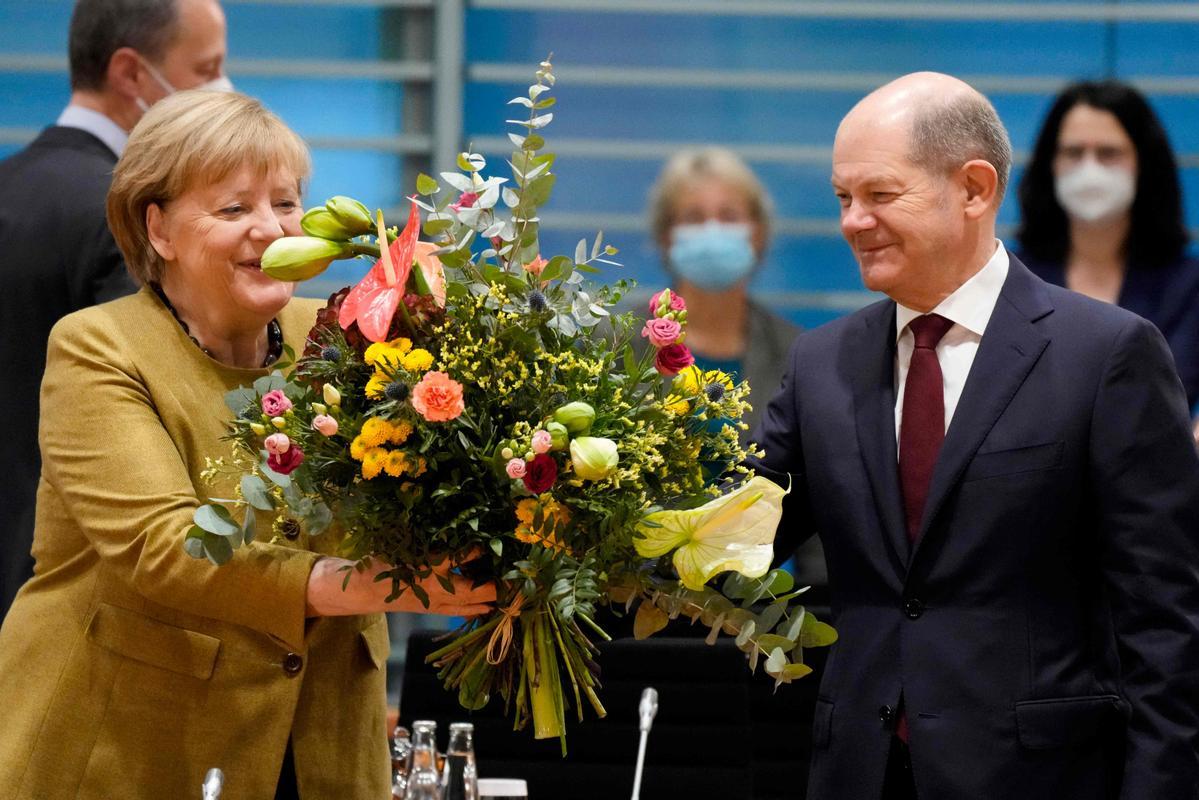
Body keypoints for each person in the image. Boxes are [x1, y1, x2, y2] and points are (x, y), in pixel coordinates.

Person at [0, 91, 496, 799]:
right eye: (234, 209)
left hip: (324, 746)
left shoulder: (348, 336)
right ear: (159, 229)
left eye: (287, 205)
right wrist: (385, 585)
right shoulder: (98, 348)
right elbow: (165, 550)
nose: (269, 228)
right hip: (133, 748)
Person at [753, 72, 1199, 799]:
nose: (851, 222)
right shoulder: (819, 363)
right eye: (842, 198)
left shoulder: (1104, 355)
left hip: (1037, 774)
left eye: (879, 195)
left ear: (973, 188)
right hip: (858, 772)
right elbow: (724, 536)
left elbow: (1165, 622)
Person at [0, 0, 231, 621]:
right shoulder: (129, 216)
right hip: (74, 584)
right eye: (207, 69)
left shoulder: (12, 181)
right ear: (131, 74)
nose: (222, 89)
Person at [647, 147, 826, 593]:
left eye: (729, 215)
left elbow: (818, 510)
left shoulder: (801, 355)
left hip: (762, 616)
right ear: (667, 236)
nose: (712, 230)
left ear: (758, 234)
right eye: (693, 216)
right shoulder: (613, 348)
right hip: (632, 605)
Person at [1016, 80, 1199, 426]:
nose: (1090, 170)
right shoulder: (1012, 278)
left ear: (1143, 163)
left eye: (1108, 153)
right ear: (1050, 164)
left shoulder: (1189, 285)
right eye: (1073, 153)